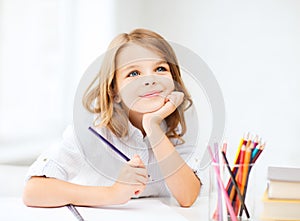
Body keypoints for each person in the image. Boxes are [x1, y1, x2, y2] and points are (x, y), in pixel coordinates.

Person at [23, 28, 202, 208]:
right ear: (114, 91)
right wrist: (112, 193)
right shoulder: (92, 130)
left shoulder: (176, 131)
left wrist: (153, 127)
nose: (149, 80)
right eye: (133, 73)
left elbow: (187, 197)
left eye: (160, 68)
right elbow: (33, 191)